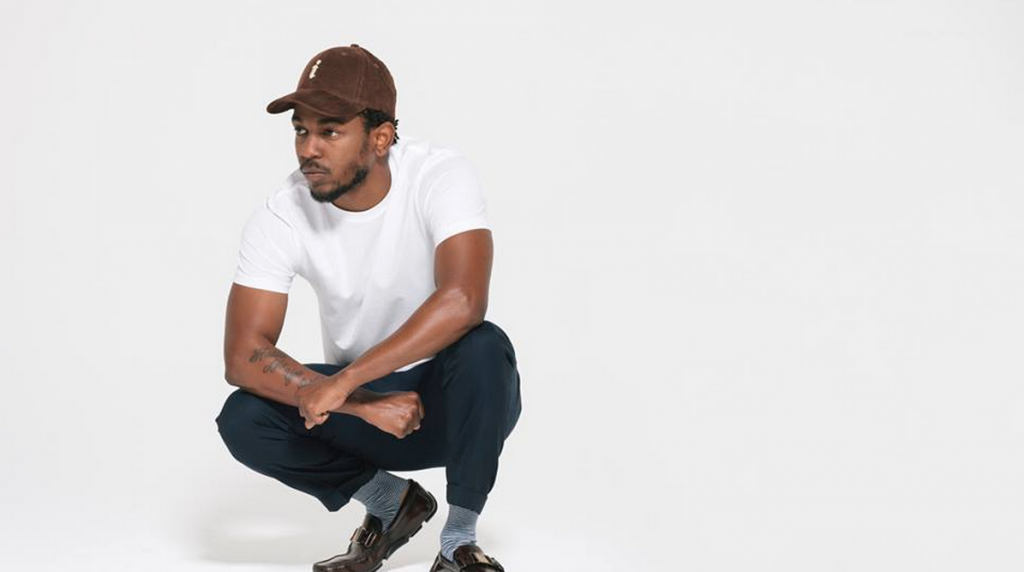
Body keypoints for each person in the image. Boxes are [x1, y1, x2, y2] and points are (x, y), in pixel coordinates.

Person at [214, 44, 521, 572]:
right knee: (244, 417)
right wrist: (356, 401)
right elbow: (243, 355)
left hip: (459, 404)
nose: (309, 149)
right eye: (301, 130)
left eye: (330, 131)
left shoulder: (438, 174)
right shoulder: (281, 214)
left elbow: (464, 299)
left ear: (380, 137)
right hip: (367, 416)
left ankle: (459, 543)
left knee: (484, 346)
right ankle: (392, 503)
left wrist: (343, 382)